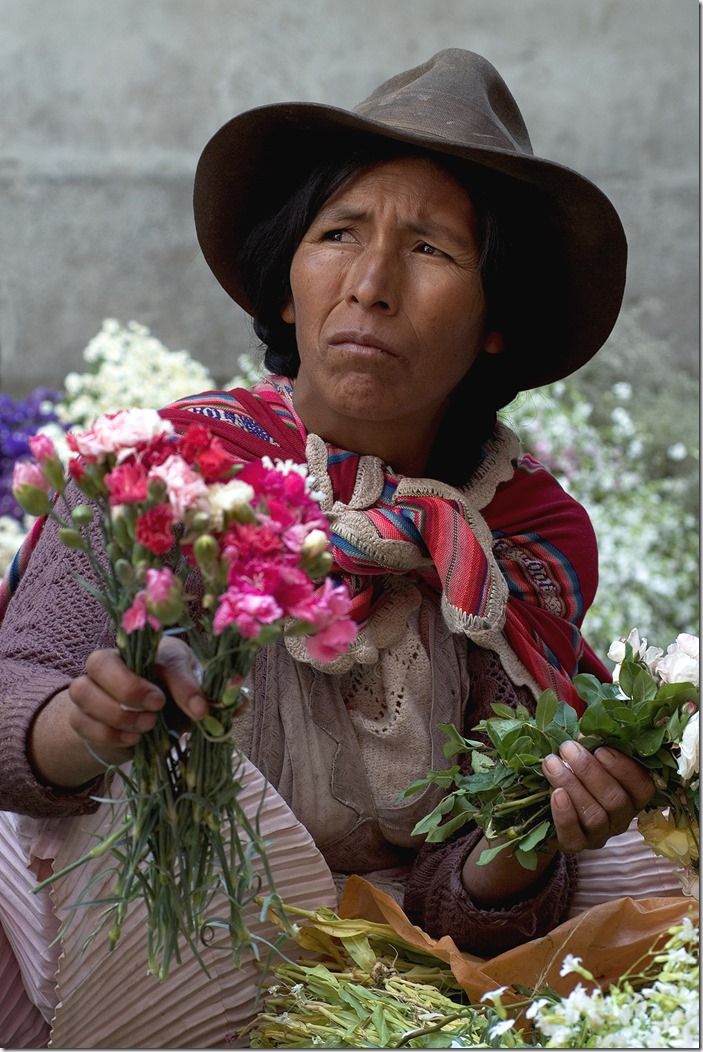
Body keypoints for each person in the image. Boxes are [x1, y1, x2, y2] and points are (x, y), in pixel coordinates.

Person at [0, 49, 656, 966]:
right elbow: (13, 690)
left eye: (430, 248)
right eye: (338, 233)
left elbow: (458, 900)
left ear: (495, 317)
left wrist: (529, 837)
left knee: (649, 869)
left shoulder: (515, 545)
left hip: (377, 969)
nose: (371, 285)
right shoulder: (168, 475)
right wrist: (81, 727)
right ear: (286, 279)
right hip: (142, 936)